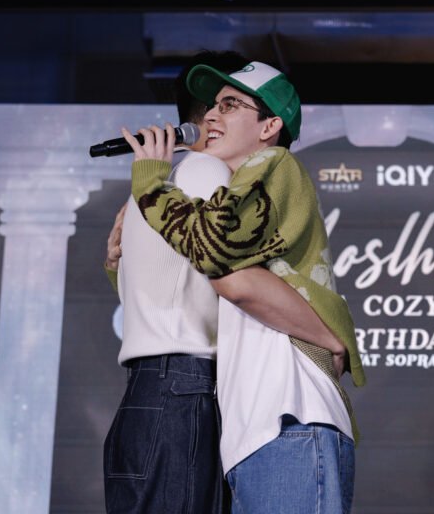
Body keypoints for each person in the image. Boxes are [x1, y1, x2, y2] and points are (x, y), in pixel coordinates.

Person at [103, 51, 348, 513]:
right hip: (203, 398)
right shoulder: (197, 178)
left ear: (270, 126)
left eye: (230, 105)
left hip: (249, 407)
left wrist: (148, 191)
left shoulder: (236, 173)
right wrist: (328, 337)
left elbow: (226, 275)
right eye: (214, 105)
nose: (214, 116)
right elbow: (221, 277)